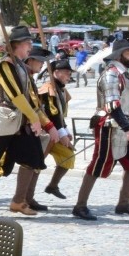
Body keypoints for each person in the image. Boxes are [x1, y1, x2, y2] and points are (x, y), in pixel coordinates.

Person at [0, 27, 58, 218]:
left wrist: (44, 123)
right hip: (0, 121)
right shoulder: (4, 66)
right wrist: (34, 119)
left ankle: (18, 201)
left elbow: (30, 99)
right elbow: (16, 96)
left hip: (19, 122)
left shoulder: (19, 66)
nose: (29, 47)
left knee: (32, 159)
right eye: (27, 43)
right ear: (16, 45)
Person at [71, 39, 129, 221]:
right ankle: (80, 206)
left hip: (125, 124)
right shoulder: (111, 75)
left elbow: (125, 102)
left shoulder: (124, 74)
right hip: (109, 126)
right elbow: (112, 105)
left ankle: (123, 203)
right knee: (98, 165)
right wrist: (128, 127)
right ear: (120, 55)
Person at [38, 59, 76, 200]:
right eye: (66, 72)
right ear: (56, 72)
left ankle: (52, 186)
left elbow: (60, 115)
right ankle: (25, 198)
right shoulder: (48, 88)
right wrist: (61, 134)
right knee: (35, 166)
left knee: (68, 156)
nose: (69, 75)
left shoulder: (61, 90)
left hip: (56, 131)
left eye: (70, 72)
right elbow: (51, 114)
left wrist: (65, 131)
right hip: (43, 133)